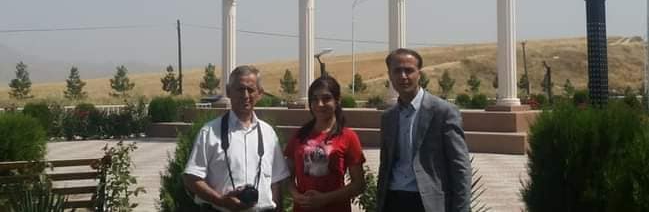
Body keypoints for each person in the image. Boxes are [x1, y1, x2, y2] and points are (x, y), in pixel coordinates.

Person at [377, 48, 472, 212]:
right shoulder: (388, 117)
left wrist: (461, 208)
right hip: (393, 199)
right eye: (397, 71)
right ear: (390, 75)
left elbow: (460, 166)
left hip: (428, 203)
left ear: (419, 74)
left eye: (409, 70)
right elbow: (385, 165)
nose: (403, 76)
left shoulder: (443, 112)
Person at [184, 65, 289, 211]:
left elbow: (276, 182)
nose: (245, 95)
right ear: (228, 91)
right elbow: (191, 178)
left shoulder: (268, 133)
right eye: (240, 89)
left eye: (250, 90)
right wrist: (221, 201)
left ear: (260, 93)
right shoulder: (209, 132)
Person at [284, 75, 366, 212]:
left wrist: (325, 199)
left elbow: (359, 184)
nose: (320, 104)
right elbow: (287, 176)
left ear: (337, 100)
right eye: (314, 99)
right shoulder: (299, 135)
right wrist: (296, 196)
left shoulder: (348, 137)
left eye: (326, 98)